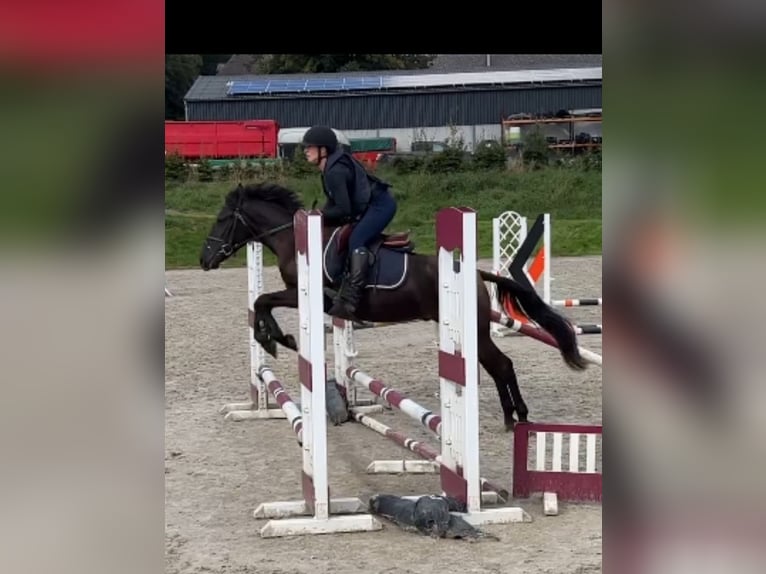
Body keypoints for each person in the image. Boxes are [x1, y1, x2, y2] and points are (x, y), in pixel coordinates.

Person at [301, 125, 397, 319]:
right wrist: (321, 214)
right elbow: (335, 204)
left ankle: (353, 298)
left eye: (310, 147)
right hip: (369, 206)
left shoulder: (335, 172)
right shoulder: (330, 168)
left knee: (355, 241)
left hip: (380, 206)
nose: (305, 150)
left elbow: (344, 209)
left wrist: (319, 215)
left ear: (323, 150)